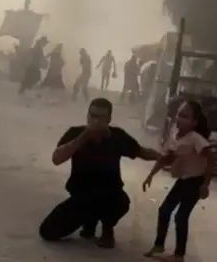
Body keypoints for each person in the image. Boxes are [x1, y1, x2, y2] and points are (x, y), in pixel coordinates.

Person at [39, 98, 159, 248]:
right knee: (48, 231)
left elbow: (141, 151)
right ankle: (89, 221)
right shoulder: (75, 133)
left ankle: (107, 228)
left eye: (101, 117)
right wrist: (83, 137)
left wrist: (162, 157)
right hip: (81, 196)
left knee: (121, 202)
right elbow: (57, 159)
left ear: (109, 119)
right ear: (87, 116)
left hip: (109, 195)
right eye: (93, 115)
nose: (96, 121)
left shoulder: (117, 136)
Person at [142, 100, 214, 262]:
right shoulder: (174, 135)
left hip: (195, 182)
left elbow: (211, 160)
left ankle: (179, 255)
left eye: (185, 116)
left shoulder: (196, 139)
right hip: (183, 181)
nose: (179, 119)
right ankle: (159, 245)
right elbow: (166, 157)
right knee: (164, 210)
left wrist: (205, 184)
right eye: (179, 115)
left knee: (181, 216)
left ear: (194, 122)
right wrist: (150, 175)